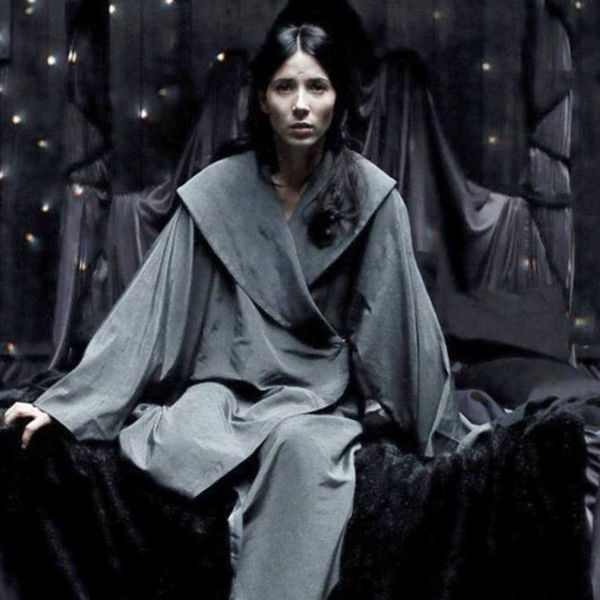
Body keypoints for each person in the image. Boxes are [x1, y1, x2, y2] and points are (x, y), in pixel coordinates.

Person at [4, 18, 464, 600]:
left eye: (317, 87)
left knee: (302, 454)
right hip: (223, 390)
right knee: (180, 441)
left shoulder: (372, 196)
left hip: (315, 397)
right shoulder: (217, 190)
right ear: (263, 100)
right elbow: (150, 313)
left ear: (339, 98)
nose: (302, 105)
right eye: (285, 87)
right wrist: (69, 406)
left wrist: (444, 438)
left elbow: (401, 323)